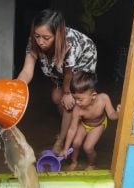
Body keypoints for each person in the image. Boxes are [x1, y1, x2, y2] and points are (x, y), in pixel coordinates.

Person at [16, 9, 98, 155]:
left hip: (82, 60)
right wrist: (17, 87)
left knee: (67, 102)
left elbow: (68, 74)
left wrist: (67, 93)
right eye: (37, 36)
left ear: (57, 35)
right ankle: (71, 124)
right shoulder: (34, 41)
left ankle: (61, 140)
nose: (40, 42)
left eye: (46, 38)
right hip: (64, 67)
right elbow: (27, 70)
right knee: (56, 97)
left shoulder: (69, 44)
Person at [60, 71, 120, 170]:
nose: (77, 102)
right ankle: (74, 162)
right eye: (75, 99)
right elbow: (72, 129)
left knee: (88, 147)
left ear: (93, 95)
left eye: (80, 99)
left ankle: (92, 164)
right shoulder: (77, 109)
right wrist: (65, 148)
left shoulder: (103, 99)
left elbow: (112, 116)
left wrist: (118, 113)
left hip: (98, 124)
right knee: (76, 143)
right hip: (84, 124)